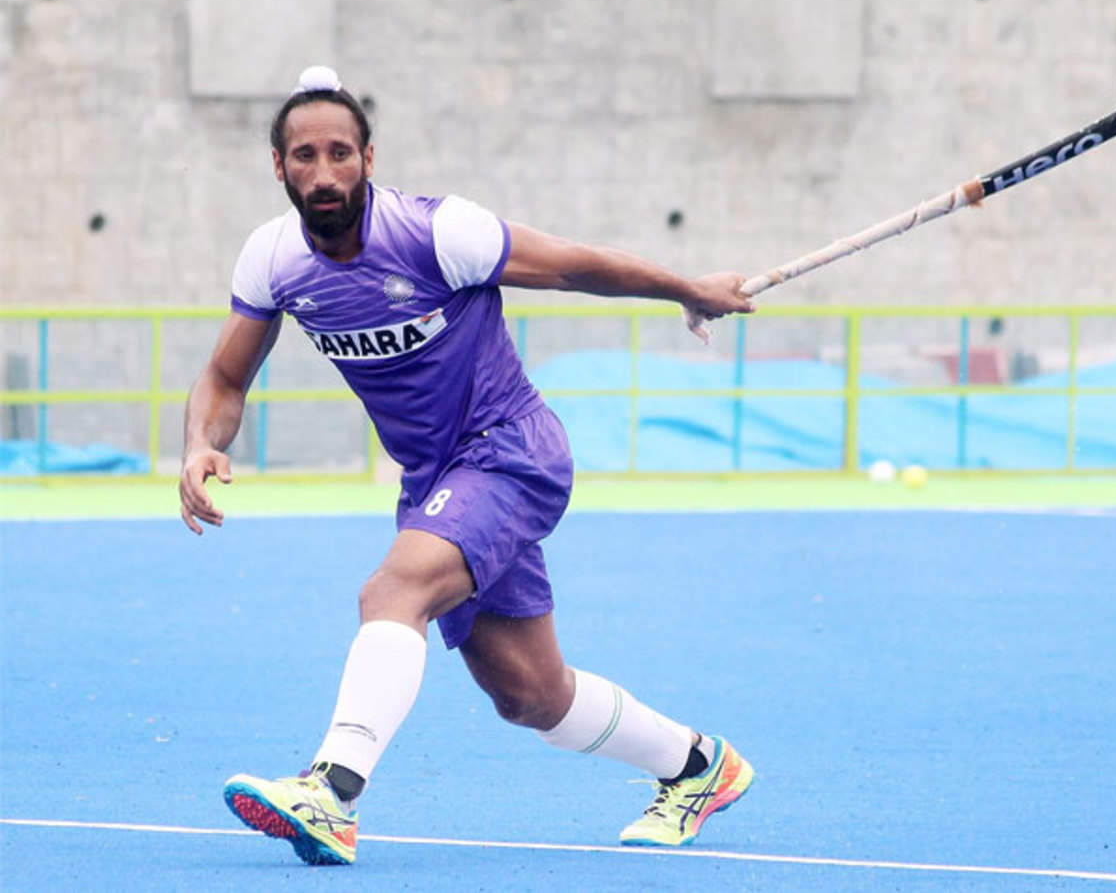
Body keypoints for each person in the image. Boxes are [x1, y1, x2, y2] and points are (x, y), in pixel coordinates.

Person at [179, 65, 756, 866]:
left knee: (393, 590)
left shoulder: (437, 232)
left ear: (368, 159)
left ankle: (331, 792)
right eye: (304, 156)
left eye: (340, 153)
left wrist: (684, 288)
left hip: (510, 451)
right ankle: (699, 767)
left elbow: (572, 264)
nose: (323, 172)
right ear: (278, 167)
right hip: (436, 482)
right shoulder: (274, 261)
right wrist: (203, 442)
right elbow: (225, 377)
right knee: (530, 695)